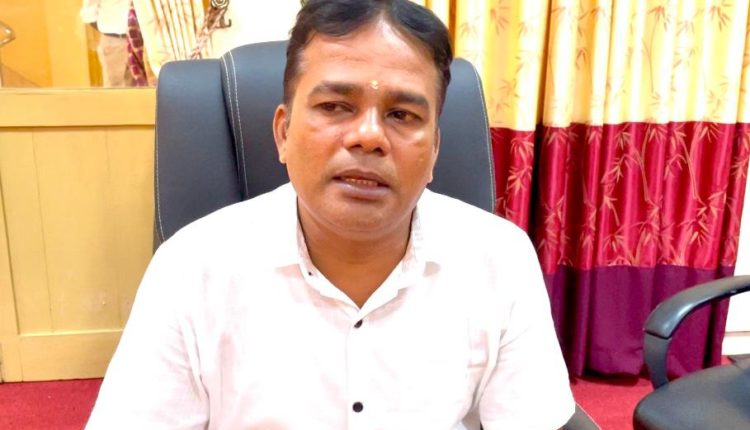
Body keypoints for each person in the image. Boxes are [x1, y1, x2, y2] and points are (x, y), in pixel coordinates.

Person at [86, 0, 575, 428]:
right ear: (283, 133)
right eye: (336, 106)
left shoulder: (500, 260)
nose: (369, 136)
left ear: (434, 152)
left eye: (402, 115)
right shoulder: (191, 269)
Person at [80, 0, 134, 87]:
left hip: (141, 40)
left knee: (138, 87)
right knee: (115, 87)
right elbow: (89, 14)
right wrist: (108, 29)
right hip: (114, 40)